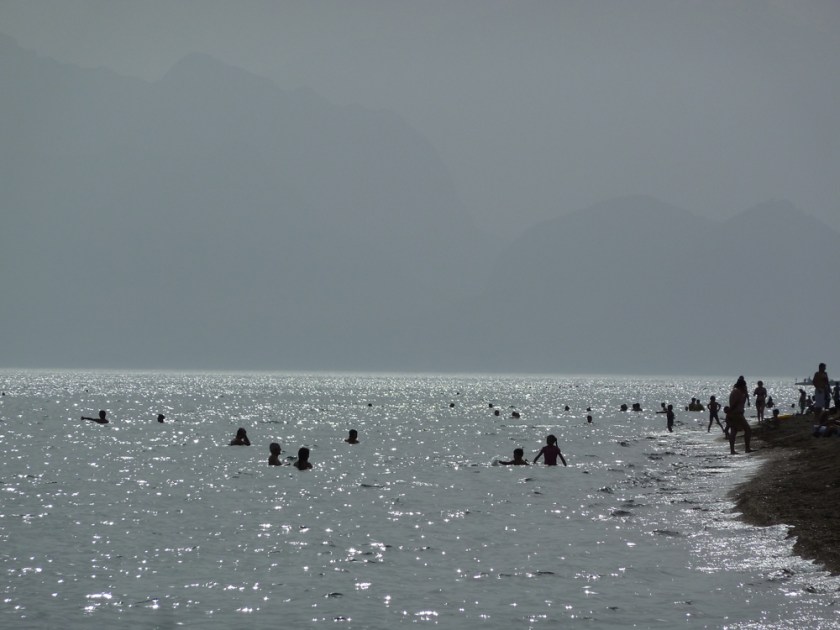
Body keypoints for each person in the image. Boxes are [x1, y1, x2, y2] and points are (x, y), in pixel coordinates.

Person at [728, 378, 753, 455]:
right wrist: (730, 412)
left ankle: (732, 450)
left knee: (734, 431)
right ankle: (747, 448)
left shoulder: (735, 391)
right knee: (747, 429)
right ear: (742, 386)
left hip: (735, 413)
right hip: (737, 414)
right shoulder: (737, 392)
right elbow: (735, 403)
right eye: (744, 386)